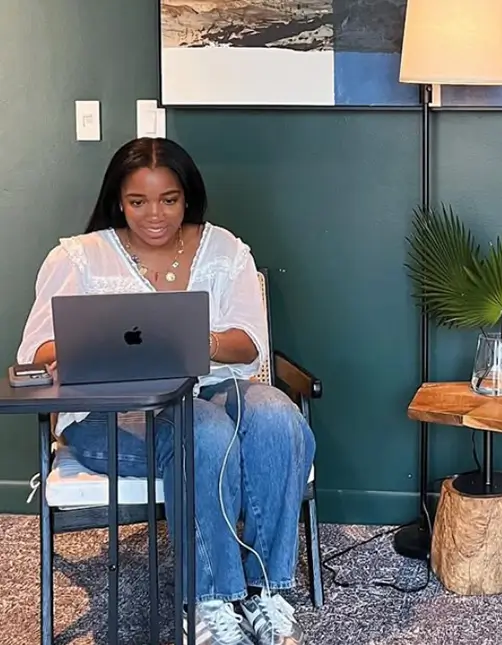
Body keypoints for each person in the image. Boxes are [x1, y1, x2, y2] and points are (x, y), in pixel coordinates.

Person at [16, 137, 316, 645]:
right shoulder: (78, 257)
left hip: (213, 388)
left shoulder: (225, 250)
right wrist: (94, 344)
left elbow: (248, 347)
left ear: (186, 196)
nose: (154, 214)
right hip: (112, 413)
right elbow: (36, 353)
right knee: (203, 428)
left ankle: (267, 594)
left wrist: (199, 341)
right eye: (138, 202)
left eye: (169, 199)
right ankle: (209, 604)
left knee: (276, 414)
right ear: (119, 200)